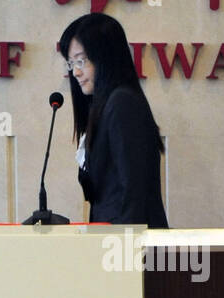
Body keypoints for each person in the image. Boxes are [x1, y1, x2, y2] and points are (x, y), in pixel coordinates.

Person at [58, 13, 169, 228]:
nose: (76, 72)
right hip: (112, 239)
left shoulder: (122, 103)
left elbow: (134, 189)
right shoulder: (104, 106)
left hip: (129, 243)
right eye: (72, 63)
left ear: (105, 57)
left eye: (81, 61)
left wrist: (126, 252)